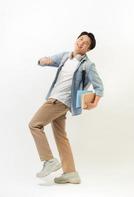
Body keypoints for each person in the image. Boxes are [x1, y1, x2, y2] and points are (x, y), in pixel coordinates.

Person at [28, 31, 104, 184]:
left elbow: (99, 86)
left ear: (88, 49)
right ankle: (71, 173)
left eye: (86, 43)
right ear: (76, 39)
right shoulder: (65, 56)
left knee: (34, 125)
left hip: (60, 101)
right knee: (61, 137)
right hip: (55, 98)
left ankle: (49, 161)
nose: (81, 43)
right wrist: (43, 60)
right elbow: (50, 60)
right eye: (80, 39)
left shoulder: (87, 65)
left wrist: (94, 102)